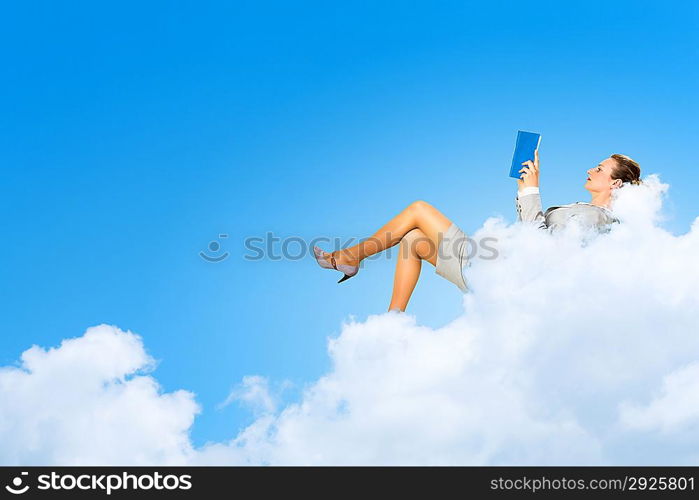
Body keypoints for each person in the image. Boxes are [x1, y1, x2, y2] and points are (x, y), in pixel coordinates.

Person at [313, 151, 642, 312]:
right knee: (412, 239)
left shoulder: (594, 218)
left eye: (599, 169)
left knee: (418, 210)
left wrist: (531, 191)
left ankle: (349, 258)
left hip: (501, 275)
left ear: (614, 183)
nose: (589, 169)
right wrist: (525, 190)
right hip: (495, 276)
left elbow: (541, 248)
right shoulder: (591, 216)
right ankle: (392, 320)